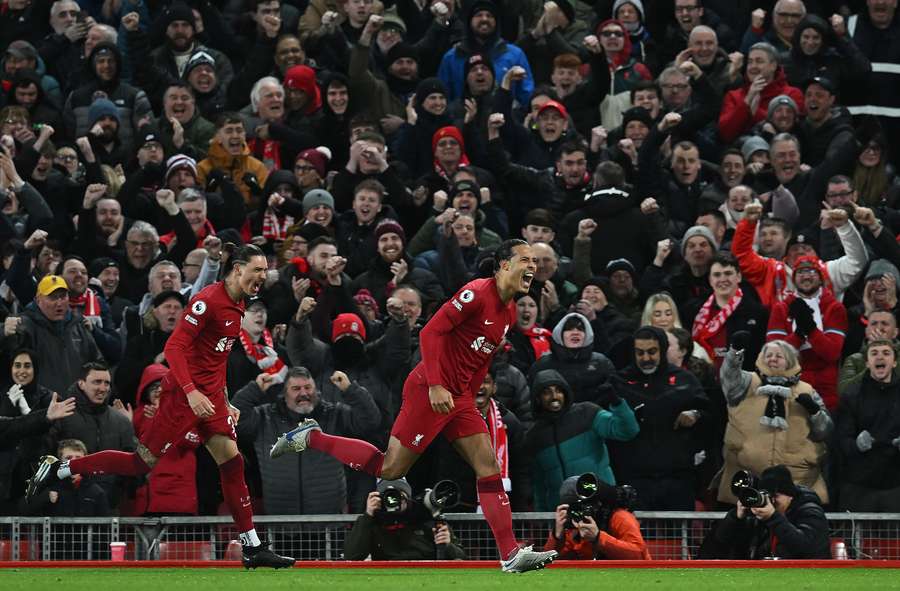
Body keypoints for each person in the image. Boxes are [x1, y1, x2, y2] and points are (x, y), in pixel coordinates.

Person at [271, 239, 558, 572]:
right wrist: (436, 385)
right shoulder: (478, 293)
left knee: (488, 467)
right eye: (525, 260)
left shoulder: (508, 311)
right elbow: (431, 333)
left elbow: (482, 359)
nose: (533, 266)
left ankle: (510, 554)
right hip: (429, 389)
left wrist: (472, 393)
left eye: (534, 262)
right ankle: (312, 437)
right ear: (504, 265)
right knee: (390, 470)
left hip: (459, 397)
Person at [25, 244, 295, 569]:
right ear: (238, 269)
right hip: (182, 398)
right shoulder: (206, 301)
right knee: (139, 463)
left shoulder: (239, 303)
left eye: (265, 270)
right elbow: (175, 347)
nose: (263, 276)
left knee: (233, 464)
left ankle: (252, 546)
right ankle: (59, 469)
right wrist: (192, 391)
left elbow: (215, 358)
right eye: (258, 270)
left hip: (209, 400)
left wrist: (222, 398)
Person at [717, 340, 832, 505]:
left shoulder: (807, 390)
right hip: (746, 482)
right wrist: (734, 352)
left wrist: (815, 412)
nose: (773, 359)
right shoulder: (746, 383)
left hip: (797, 484)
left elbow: (825, 431)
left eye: (779, 356)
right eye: (768, 355)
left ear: (790, 361)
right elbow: (729, 376)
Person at [706, 464, 831, 559]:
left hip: (809, 576)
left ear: (790, 496)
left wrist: (773, 517)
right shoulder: (759, 513)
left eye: (775, 496)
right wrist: (735, 517)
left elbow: (804, 547)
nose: (771, 501)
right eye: (767, 496)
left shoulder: (810, 511)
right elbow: (719, 543)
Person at [343, 478, 467, 560]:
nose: (394, 500)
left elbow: (461, 557)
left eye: (399, 495)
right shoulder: (373, 522)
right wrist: (368, 515)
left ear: (408, 498)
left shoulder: (427, 517)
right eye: (389, 496)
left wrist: (448, 545)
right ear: (380, 500)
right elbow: (352, 556)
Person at [544, 474, 650, 560]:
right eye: (574, 507)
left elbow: (638, 555)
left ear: (597, 504)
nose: (578, 512)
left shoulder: (620, 517)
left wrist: (598, 538)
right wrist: (557, 537)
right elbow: (546, 563)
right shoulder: (574, 527)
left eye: (583, 506)